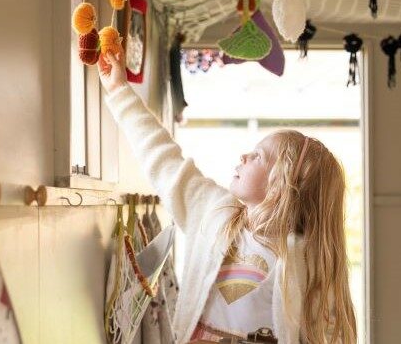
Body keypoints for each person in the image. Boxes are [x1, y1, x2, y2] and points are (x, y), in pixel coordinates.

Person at [98, 47, 357, 344]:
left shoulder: (307, 260)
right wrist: (119, 90)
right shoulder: (215, 213)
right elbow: (164, 159)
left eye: (258, 156)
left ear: (281, 184)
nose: (245, 155)